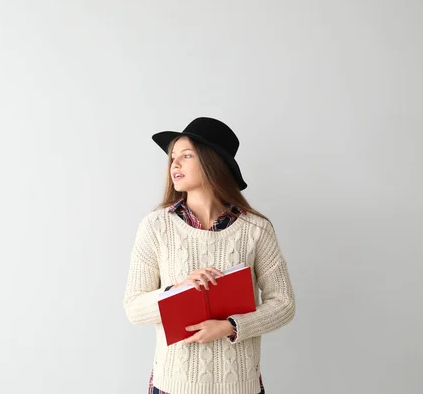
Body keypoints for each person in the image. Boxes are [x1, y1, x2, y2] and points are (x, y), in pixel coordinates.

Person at [123, 117, 296, 394]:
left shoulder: (256, 229)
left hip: (239, 386)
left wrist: (230, 326)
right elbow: (133, 307)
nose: (174, 165)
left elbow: (284, 304)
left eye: (186, 156)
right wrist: (179, 290)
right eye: (173, 158)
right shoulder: (155, 226)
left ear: (212, 162)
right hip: (174, 385)